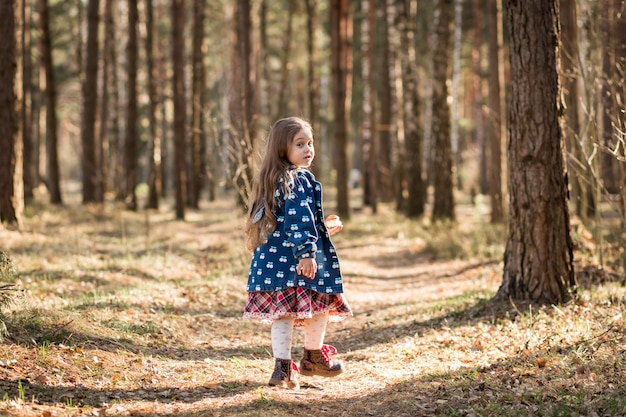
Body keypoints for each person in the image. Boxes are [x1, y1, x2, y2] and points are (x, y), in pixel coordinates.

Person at [243, 116, 352, 389]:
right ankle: (313, 357)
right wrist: (306, 252)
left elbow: (283, 220)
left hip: (274, 263)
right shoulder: (298, 178)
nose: (308, 149)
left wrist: (321, 228)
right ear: (283, 149)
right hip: (295, 260)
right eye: (300, 144)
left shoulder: (272, 178)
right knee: (321, 304)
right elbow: (298, 218)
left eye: (310, 143)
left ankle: (282, 369)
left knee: (283, 313)